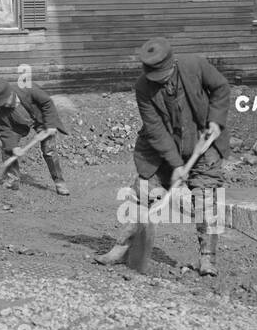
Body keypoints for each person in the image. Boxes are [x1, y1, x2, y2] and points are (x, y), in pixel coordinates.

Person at [97, 37, 230, 276]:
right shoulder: (143, 87)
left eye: (164, 77)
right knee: (142, 192)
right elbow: (155, 129)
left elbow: (221, 88)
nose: (159, 82)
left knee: (206, 200)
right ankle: (123, 247)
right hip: (161, 151)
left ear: (173, 64)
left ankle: (207, 258)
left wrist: (216, 119)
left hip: (202, 143)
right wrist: (177, 165)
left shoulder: (194, 66)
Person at [0, 78, 70, 196]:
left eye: (6, 101)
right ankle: (12, 179)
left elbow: (47, 103)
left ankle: (59, 182)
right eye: (2, 103)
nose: (5, 105)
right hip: (19, 123)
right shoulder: (1, 106)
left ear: (11, 93)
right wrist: (13, 147)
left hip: (42, 119)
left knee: (49, 150)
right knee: (7, 148)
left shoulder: (28, 89)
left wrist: (50, 125)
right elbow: (5, 128)